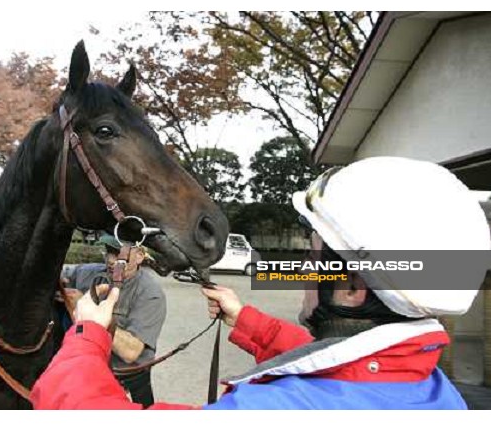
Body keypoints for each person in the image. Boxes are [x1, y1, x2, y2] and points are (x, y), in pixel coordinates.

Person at [33, 157, 491, 410]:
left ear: (350, 287)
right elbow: (346, 365)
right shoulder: (434, 388)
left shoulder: (276, 414)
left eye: (315, 258)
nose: (304, 271)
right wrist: (248, 319)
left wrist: (85, 335)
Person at [59, 234, 168, 408]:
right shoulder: (89, 273)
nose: (110, 260)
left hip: (127, 383)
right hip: (84, 374)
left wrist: (92, 316)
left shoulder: (150, 294)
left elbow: (131, 352)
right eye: (108, 251)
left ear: (139, 256)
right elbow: (55, 272)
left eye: (118, 254)